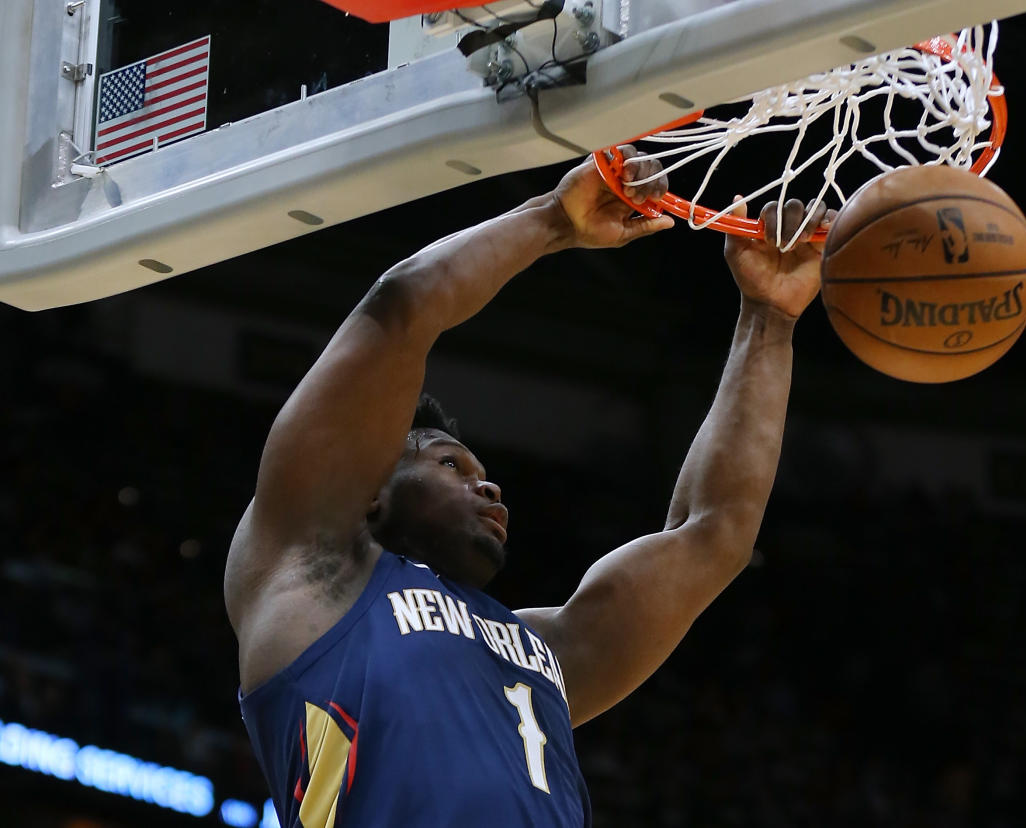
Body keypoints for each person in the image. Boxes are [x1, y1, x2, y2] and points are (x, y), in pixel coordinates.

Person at [223, 146, 829, 827]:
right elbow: (401, 311)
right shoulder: (310, 577)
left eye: (484, 475)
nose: (490, 489)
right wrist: (553, 220)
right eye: (452, 465)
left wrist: (770, 319)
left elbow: (712, 534)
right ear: (371, 492)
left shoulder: (544, 651)